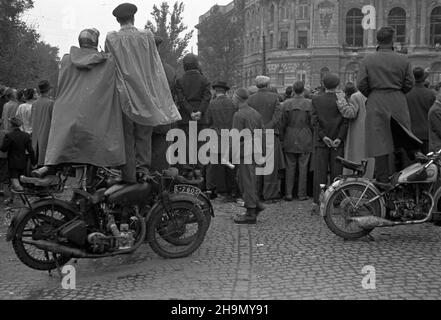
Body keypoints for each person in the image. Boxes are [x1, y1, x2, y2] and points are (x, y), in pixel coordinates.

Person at [105, 3, 181, 182]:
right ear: (134, 18)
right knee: (144, 135)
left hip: (123, 95)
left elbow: (110, 66)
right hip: (145, 94)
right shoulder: (147, 36)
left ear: (117, 20)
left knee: (127, 137)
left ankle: (128, 175)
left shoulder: (111, 38)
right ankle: (143, 170)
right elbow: (155, 67)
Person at [45, 28, 126, 174]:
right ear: (95, 41)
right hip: (94, 122)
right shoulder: (107, 62)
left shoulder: (66, 60)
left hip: (67, 118)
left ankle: (52, 169)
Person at [358, 26, 420, 183]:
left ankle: (382, 183)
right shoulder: (403, 59)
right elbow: (409, 83)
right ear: (392, 40)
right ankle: (405, 181)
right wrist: (398, 92)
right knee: (403, 139)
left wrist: (372, 94)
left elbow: (361, 84)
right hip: (397, 101)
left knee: (379, 145)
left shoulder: (367, 60)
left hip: (376, 101)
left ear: (377, 40)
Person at [311, 73, 349, 211]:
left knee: (320, 173)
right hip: (337, 142)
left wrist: (323, 136)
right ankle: (337, 200)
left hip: (322, 142)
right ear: (337, 85)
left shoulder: (316, 99)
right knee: (337, 173)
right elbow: (346, 120)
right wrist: (340, 137)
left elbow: (314, 122)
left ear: (323, 84)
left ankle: (319, 201)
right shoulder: (342, 99)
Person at [231, 88, 265, 225]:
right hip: (254, 150)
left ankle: (251, 212)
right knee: (243, 179)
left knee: (246, 181)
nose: (232, 100)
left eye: (233, 98)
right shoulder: (255, 113)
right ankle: (255, 205)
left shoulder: (239, 115)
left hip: (244, 151)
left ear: (237, 99)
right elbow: (262, 133)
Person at [248, 76, 285, 201]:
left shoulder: (250, 99)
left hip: (255, 134)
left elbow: (249, 117)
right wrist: (268, 127)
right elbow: (277, 116)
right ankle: (270, 194)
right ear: (268, 85)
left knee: (257, 164)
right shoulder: (274, 97)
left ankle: (256, 192)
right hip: (270, 133)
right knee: (270, 165)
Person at [175, 53, 212, 179]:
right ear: (196, 64)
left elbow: (181, 99)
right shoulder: (205, 80)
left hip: (186, 117)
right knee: (200, 143)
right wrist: (200, 112)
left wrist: (190, 111)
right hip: (201, 119)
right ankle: (199, 169)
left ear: (184, 66)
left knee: (186, 144)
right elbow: (207, 97)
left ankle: (188, 169)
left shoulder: (180, 81)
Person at [205, 81, 239, 200]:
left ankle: (218, 190)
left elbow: (208, 120)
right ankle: (232, 190)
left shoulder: (212, 104)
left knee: (215, 165)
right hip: (230, 137)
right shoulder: (232, 104)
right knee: (230, 165)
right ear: (226, 91)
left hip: (216, 136)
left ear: (215, 91)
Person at [281, 81, 313, 202]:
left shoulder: (286, 104)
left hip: (290, 136)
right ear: (303, 90)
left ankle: (288, 193)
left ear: (293, 90)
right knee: (303, 167)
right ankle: (301, 193)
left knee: (290, 166)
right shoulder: (309, 104)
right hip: (305, 136)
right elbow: (312, 122)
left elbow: (282, 123)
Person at [344, 88, 375, 179]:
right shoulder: (375, 95)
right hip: (372, 131)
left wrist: (341, 102)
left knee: (356, 160)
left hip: (358, 133)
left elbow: (350, 113)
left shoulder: (356, 96)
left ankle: (355, 188)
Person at [406, 67, 436, 155]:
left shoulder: (406, 94)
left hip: (411, 134)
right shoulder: (430, 94)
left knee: (412, 167)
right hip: (427, 134)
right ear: (424, 77)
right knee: (429, 164)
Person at [0, 117, 36, 192]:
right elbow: (31, 150)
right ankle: (12, 198)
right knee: (20, 178)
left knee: (14, 180)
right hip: (23, 160)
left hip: (12, 161)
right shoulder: (26, 135)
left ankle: (22, 194)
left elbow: (4, 149)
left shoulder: (9, 135)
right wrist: (33, 162)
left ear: (12, 125)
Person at [31, 80, 54, 167]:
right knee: (44, 160)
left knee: (36, 156)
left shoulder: (35, 103)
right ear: (49, 90)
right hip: (46, 134)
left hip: (35, 134)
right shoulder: (51, 103)